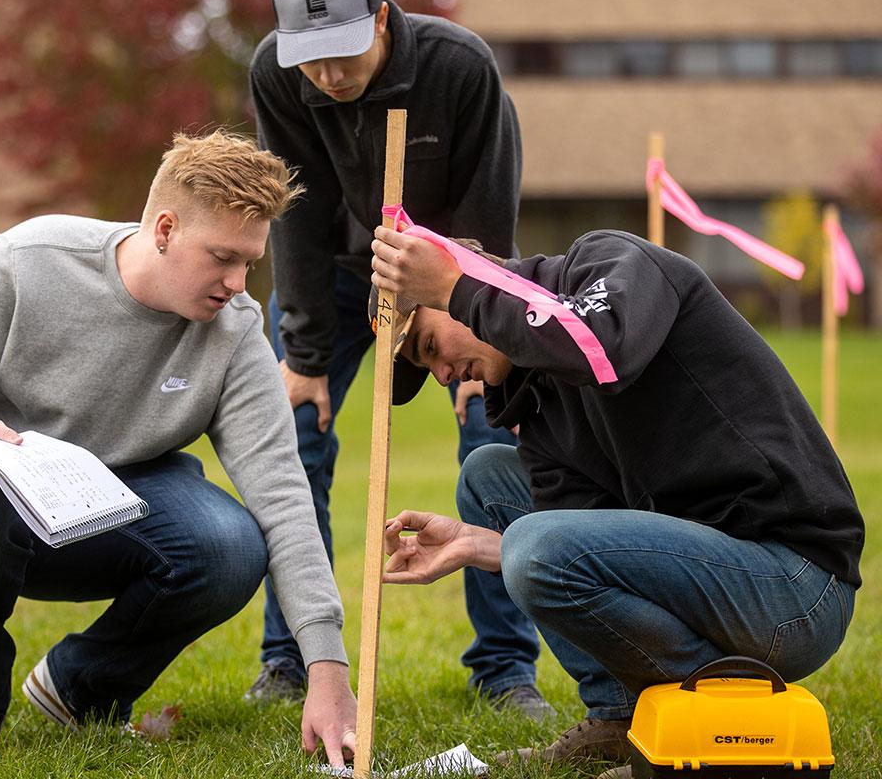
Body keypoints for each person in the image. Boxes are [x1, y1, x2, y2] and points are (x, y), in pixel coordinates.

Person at [0, 131, 358, 764]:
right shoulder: (29, 259)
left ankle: (82, 689)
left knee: (232, 543)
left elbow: (283, 494)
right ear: (164, 229)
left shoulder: (236, 330)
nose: (238, 283)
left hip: (113, 511)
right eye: (221, 257)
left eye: (250, 262)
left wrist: (326, 668)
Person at [369, 222, 863, 774]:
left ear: (467, 278)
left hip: (794, 586)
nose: (442, 376)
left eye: (430, 347)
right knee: (488, 478)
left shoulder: (609, 262)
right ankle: (623, 719)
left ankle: (708, 720)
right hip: (709, 569)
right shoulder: (535, 404)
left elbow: (602, 351)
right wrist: (478, 546)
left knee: (536, 541)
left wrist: (459, 288)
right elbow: (577, 553)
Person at [246, 0, 547, 717]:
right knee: (294, 441)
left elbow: (490, 216)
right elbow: (297, 216)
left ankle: (505, 668)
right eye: (310, 60)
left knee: (490, 444)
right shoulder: (276, 75)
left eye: (343, 52)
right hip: (341, 279)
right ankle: (290, 658)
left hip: (454, 278)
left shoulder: (460, 68)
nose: (328, 75)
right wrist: (306, 355)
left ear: (381, 19)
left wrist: (477, 336)